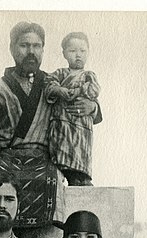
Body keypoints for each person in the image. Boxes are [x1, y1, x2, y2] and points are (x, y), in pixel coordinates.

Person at [0, 21, 102, 238]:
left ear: (43, 50)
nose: (31, 52)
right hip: (8, 157)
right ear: (12, 48)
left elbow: (81, 100)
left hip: (44, 158)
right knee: (0, 187)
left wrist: (94, 107)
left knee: (49, 179)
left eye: (37, 46)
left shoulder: (53, 83)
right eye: (24, 45)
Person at [44, 32, 101, 186]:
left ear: (88, 52)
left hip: (81, 127)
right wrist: (59, 90)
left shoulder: (89, 75)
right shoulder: (60, 73)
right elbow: (49, 86)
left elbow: (95, 91)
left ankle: (81, 178)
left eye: (82, 51)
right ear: (64, 53)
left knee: (80, 158)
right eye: (73, 51)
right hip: (62, 126)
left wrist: (80, 93)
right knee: (60, 156)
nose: (78, 55)